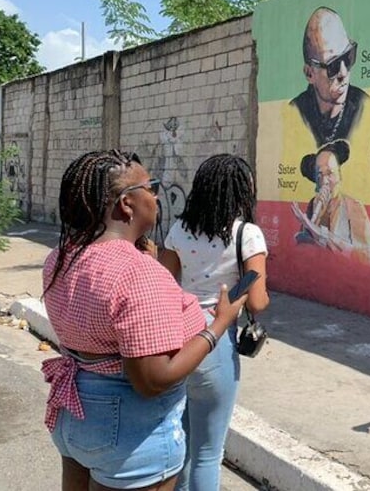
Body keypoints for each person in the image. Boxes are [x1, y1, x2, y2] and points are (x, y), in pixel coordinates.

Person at [41, 150, 245, 490]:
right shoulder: (138, 272)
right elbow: (152, 380)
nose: (156, 196)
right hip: (127, 430)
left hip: (74, 413)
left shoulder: (62, 257)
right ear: (126, 204)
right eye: (150, 187)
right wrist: (217, 326)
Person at [159, 154, 270, 491]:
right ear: (241, 190)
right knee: (208, 451)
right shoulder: (247, 235)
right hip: (217, 341)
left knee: (182, 441)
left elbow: (165, 284)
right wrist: (229, 295)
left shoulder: (179, 229)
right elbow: (258, 300)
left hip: (178, 340)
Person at [290, 7, 370, 147]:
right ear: (310, 73)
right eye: (333, 65)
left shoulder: (365, 107)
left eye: (348, 57)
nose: (343, 73)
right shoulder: (294, 113)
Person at [292, 139, 370, 255]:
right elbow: (304, 250)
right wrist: (315, 219)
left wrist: (316, 230)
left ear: (339, 175)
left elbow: (365, 256)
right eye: (320, 175)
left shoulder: (354, 208)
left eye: (330, 173)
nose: (325, 181)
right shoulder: (313, 205)